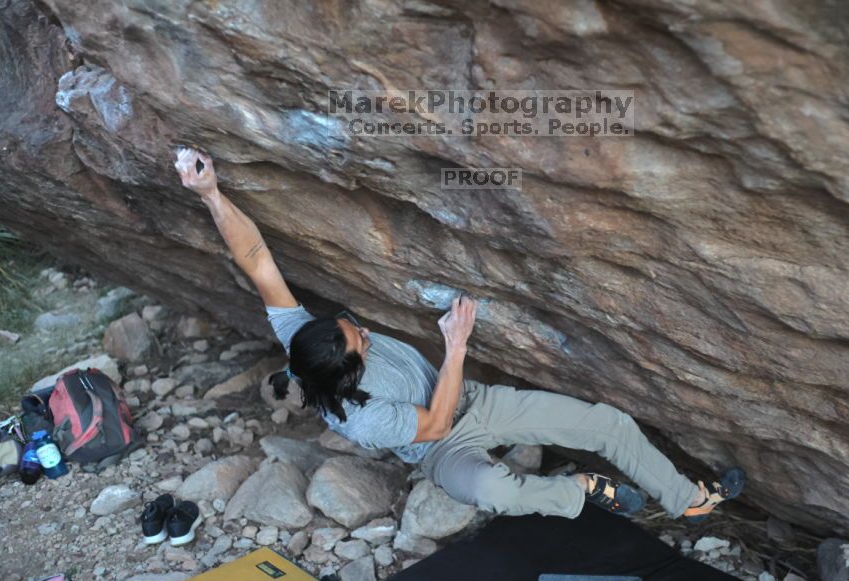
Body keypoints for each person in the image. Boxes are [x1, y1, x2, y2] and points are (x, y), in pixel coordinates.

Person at [174, 147, 744, 521]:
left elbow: (256, 258)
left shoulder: (303, 339)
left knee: (607, 424)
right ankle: (581, 492)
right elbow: (439, 423)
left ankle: (687, 499)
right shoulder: (364, 418)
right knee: (496, 492)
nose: (366, 332)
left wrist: (210, 194)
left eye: (353, 325)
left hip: (476, 402)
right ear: (350, 374)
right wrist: (457, 345)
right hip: (440, 446)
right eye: (362, 342)